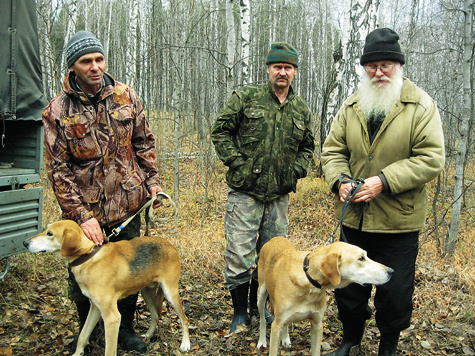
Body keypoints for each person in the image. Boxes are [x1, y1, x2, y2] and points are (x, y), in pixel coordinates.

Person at [321, 28, 445, 356]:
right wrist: (340, 181)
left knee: (395, 292)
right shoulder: (351, 106)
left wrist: (384, 181)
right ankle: (350, 340)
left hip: (398, 222)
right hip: (355, 220)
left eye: (386, 65)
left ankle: (388, 346)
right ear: (363, 68)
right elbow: (332, 151)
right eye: (372, 66)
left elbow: (432, 158)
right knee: (348, 289)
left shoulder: (420, 105)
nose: (378, 72)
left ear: (398, 66)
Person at [42, 30, 163, 354]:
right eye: (86, 61)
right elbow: (58, 170)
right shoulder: (57, 111)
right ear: (73, 67)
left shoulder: (126, 96)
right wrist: (82, 217)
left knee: (128, 271)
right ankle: (88, 330)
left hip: (128, 203)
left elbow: (144, 142)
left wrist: (152, 183)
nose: (95, 67)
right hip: (85, 210)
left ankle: (124, 329)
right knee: (83, 275)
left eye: (99, 59)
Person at [211, 42, 315, 333]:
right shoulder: (247, 97)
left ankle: (263, 309)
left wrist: (295, 170)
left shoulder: (301, 109)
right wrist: (238, 164)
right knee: (239, 253)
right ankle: (240, 313)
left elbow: (308, 146)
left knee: (272, 255)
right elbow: (221, 131)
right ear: (268, 68)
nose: (282, 72)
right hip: (246, 191)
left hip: (279, 194)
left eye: (288, 68)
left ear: (295, 72)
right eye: (277, 67)